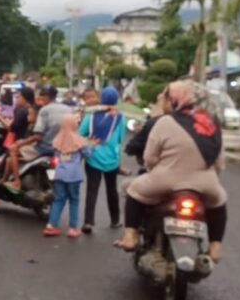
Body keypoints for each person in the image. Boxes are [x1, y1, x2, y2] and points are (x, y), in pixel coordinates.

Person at [115, 80, 227, 262]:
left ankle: (130, 236)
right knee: (219, 202)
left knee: (132, 191)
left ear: (176, 100)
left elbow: (150, 158)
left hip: (165, 180)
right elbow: (220, 162)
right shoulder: (211, 124)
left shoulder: (166, 121)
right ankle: (215, 248)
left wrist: (155, 170)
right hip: (206, 183)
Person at [6, 86, 74, 191]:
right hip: (63, 149)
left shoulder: (44, 110)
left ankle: (16, 182)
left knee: (13, 150)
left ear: (47, 97)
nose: (41, 99)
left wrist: (20, 144)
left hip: (45, 148)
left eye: (42, 96)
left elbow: (38, 136)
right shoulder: (68, 109)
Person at [79, 86, 126, 234]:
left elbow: (81, 133)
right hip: (112, 160)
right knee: (112, 190)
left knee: (92, 190)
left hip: (93, 158)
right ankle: (115, 220)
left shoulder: (91, 116)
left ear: (101, 99)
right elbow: (120, 138)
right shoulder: (121, 117)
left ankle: (88, 222)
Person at [0, 87, 36, 212]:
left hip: (20, 144)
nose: (16, 99)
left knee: (0, 164)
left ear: (24, 98)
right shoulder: (29, 110)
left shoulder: (23, 111)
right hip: (27, 144)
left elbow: (12, 127)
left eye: (19, 96)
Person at [44, 114, 94, 238]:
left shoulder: (57, 139)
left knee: (58, 199)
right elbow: (88, 154)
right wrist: (93, 146)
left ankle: (51, 225)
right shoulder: (80, 141)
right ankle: (72, 228)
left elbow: (55, 154)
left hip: (59, 174)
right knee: (74, 200)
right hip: (74, 176)